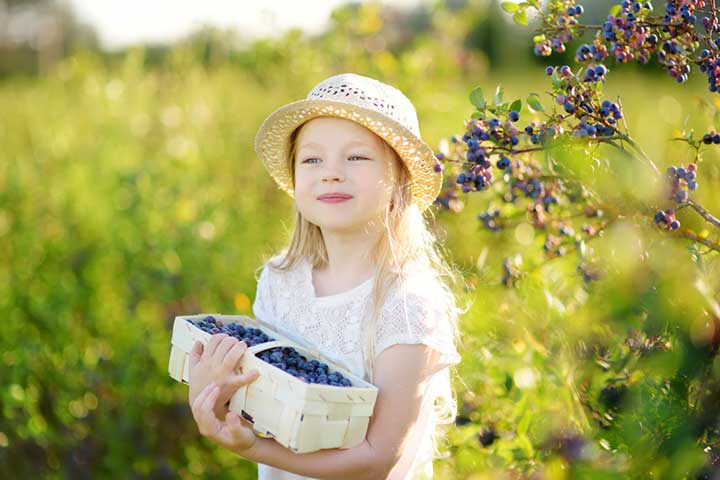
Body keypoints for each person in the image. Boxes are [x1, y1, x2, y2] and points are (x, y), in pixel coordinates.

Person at [187, 72, 469, 479]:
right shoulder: (281, 282)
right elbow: (264, 400)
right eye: (312, 159)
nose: (331, 172)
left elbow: (376, 460)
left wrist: (254, 448)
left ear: (399, 180)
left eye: (356, 157)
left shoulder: (406, 304)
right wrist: (214, 396)